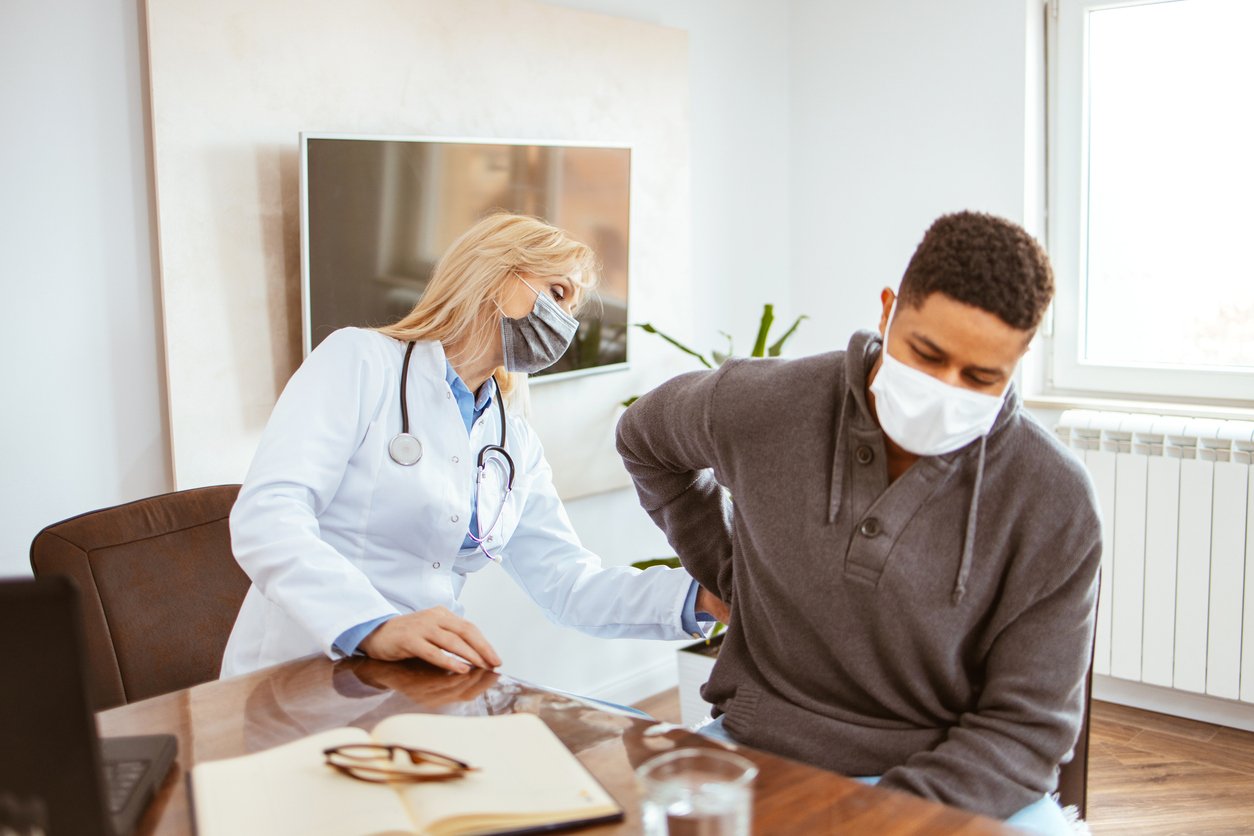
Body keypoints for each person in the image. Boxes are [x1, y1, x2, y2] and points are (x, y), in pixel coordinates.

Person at [615, 211, 1100, 832]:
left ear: (1020, 358)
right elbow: (644, 440)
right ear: (888, 310)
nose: (944, 389)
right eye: (926, 354)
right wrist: (731, 572)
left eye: (981, 377)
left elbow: (1027, 729)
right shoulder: (761, 404)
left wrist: (871, 818)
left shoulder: (1054, 499)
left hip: (956, 781)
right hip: (758, 750)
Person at [221, 212, 726, 679]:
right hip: (303, 663)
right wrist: (373, 624)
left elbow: (569, 584)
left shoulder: (512, 437)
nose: (566, 322)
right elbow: (269, 515)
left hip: (419, 674)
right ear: (496, 275)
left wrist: (702, 595)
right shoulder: (360, 361)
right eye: (556, 291)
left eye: (572, 306)